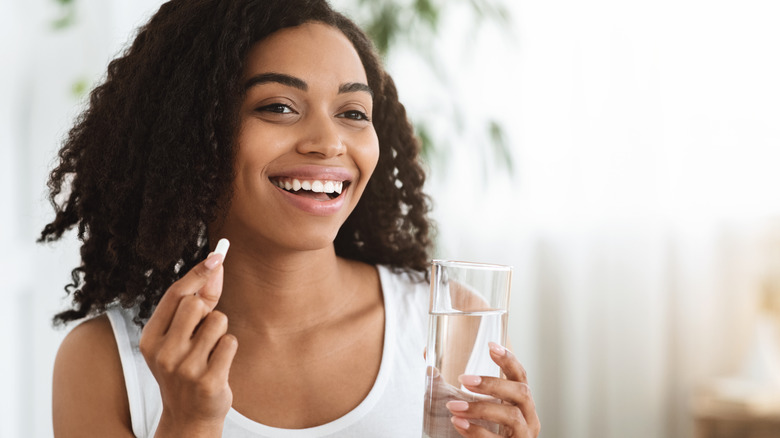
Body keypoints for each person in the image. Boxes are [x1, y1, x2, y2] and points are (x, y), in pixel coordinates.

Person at [40, 0, 541, 436]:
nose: (328, 143)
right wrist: (189, 424)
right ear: (190, 135)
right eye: (279, 107)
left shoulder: (454, 321)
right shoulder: (105, 362)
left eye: (353, 112)